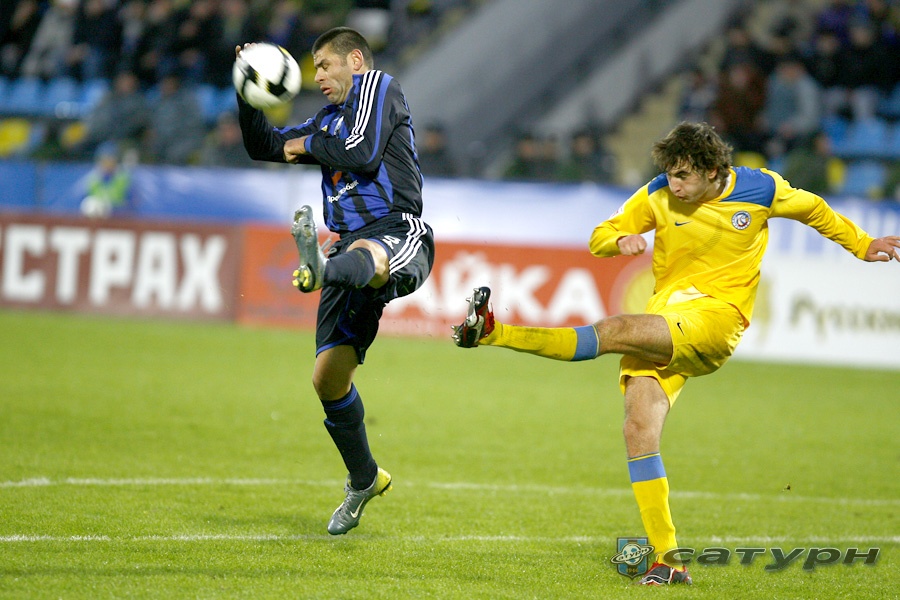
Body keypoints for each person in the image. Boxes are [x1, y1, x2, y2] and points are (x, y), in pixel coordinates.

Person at [452, 122, 899, 586]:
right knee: (638, 429)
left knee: (615, 330)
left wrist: (863, 243)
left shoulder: (760, 189)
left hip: (717, 320)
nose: (674, 183)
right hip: (667, 318)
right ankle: (669, 562)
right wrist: (619, 241)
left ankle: (493, 333)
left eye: (683, 175)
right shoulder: (658, 193)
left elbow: (814, 209)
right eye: (669, 173)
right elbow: (600, 235)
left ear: (712, 171)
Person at [236, 27, 434, 535]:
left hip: (397, 230)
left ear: (356, 60)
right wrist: (247, 92)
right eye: (315, 68)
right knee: (327, 379)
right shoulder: (325, 121)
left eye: (325, 65)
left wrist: (307, 145)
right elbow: (264, 147)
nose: (318, 75)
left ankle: (323, 271)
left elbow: (362, 153)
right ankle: (364, 478)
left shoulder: (379, 86)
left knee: (371, 257)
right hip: (345, 243)